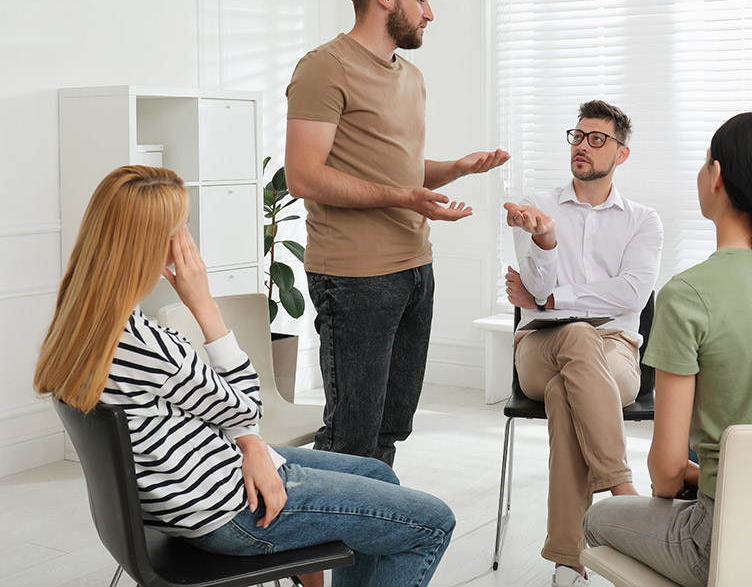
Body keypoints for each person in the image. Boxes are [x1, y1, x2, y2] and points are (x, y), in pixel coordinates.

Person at [34, 166, 455, 587]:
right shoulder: (147, 345)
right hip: (229, 512)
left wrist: (251, 443)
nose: (189, 239)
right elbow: (249, 405)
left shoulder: (80, 323)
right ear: (153, 245)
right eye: (182, 228)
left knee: (375, 473)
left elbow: (225, 414)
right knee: (433, 523)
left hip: (200, 488)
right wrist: (204, 305)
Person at [582, 112, 752, 587]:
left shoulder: (688, 294)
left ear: (717, 177)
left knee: (598, 520)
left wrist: (696, 476)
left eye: (705, 161)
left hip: (725, 540)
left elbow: (666, 473)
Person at [284, 0, 509, 464]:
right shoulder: (324, 68)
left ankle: (374, 535)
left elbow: (392, 167)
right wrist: (405, 197)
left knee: (390, 428)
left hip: (414, 270)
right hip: (354, 278)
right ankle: (332, 541)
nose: (430, 12)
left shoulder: (411, 77)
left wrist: (454, 169)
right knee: (352, 436)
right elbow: (304, 176)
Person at [504, 100, 663, 587]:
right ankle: (624, 492)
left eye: (597, 139)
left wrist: (553, 296)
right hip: (539, 345)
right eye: (578, 136)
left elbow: (633, 293)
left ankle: (567, 559)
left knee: (564, 394)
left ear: (622, 153)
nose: (583, 146)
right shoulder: (538, 207)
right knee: (573, 333)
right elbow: (535, 287)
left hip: (614, 348)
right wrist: (547, 242)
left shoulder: (643, 219)